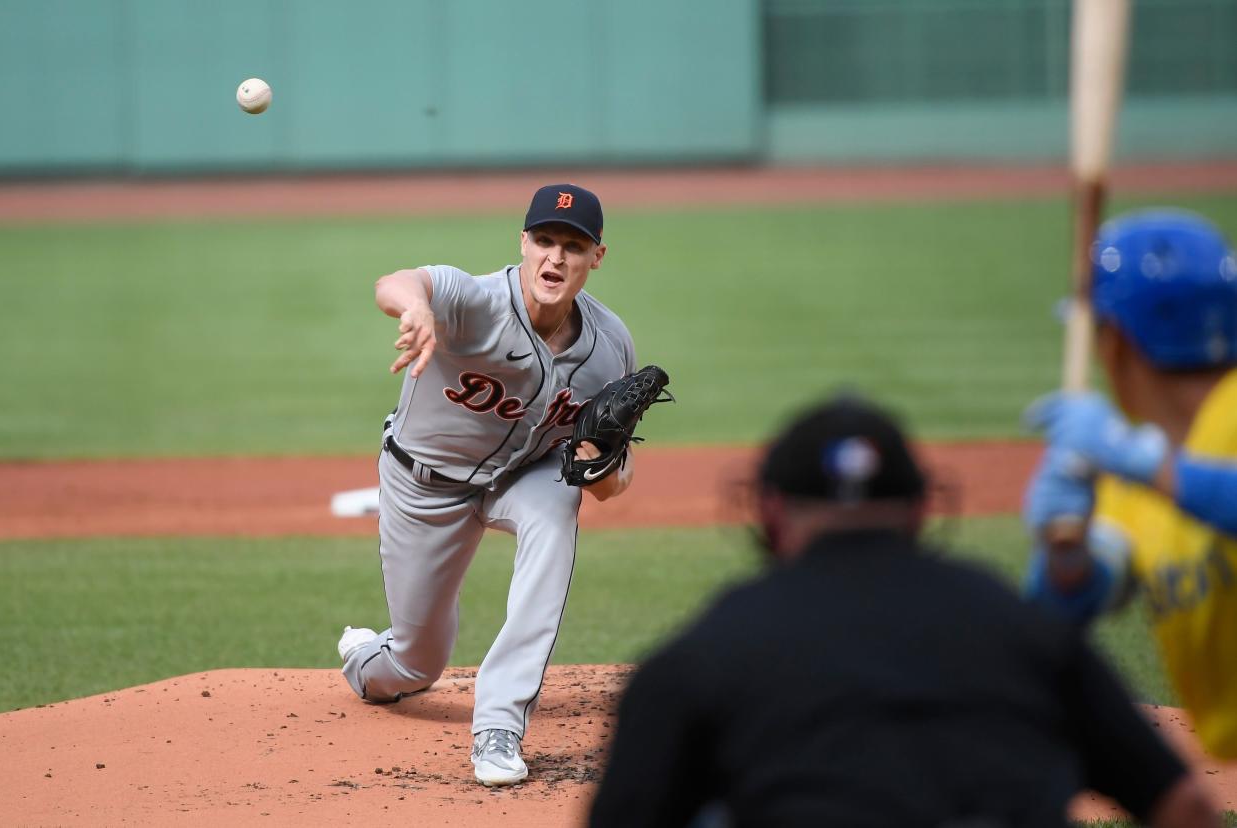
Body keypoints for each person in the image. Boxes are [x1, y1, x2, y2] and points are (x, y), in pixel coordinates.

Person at [590, 395, 1217, 828]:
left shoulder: (705, 652)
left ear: (772, 515)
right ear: (920, 509)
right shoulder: (1017, 624)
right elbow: (1185, 806)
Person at [338, 183, 638, 787]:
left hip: (524, 477)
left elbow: (614, 482)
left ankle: (498, 724)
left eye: (572, 247)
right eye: (545, 241)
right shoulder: (472, 301)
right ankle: (367, 659)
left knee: (558, 507)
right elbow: (396, 283)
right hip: (425, 486)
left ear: (596, 257)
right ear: (523, 243)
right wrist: (415, 309)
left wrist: (602, 464)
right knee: (416, 664)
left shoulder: (611, 349)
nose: (555, 259)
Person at [1023, 208, 1237, 760]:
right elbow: (1062, 613)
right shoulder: (1134, 475)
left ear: (1113, 344)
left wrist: (1147, 465)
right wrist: (1062, 555)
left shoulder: (1152, 458)